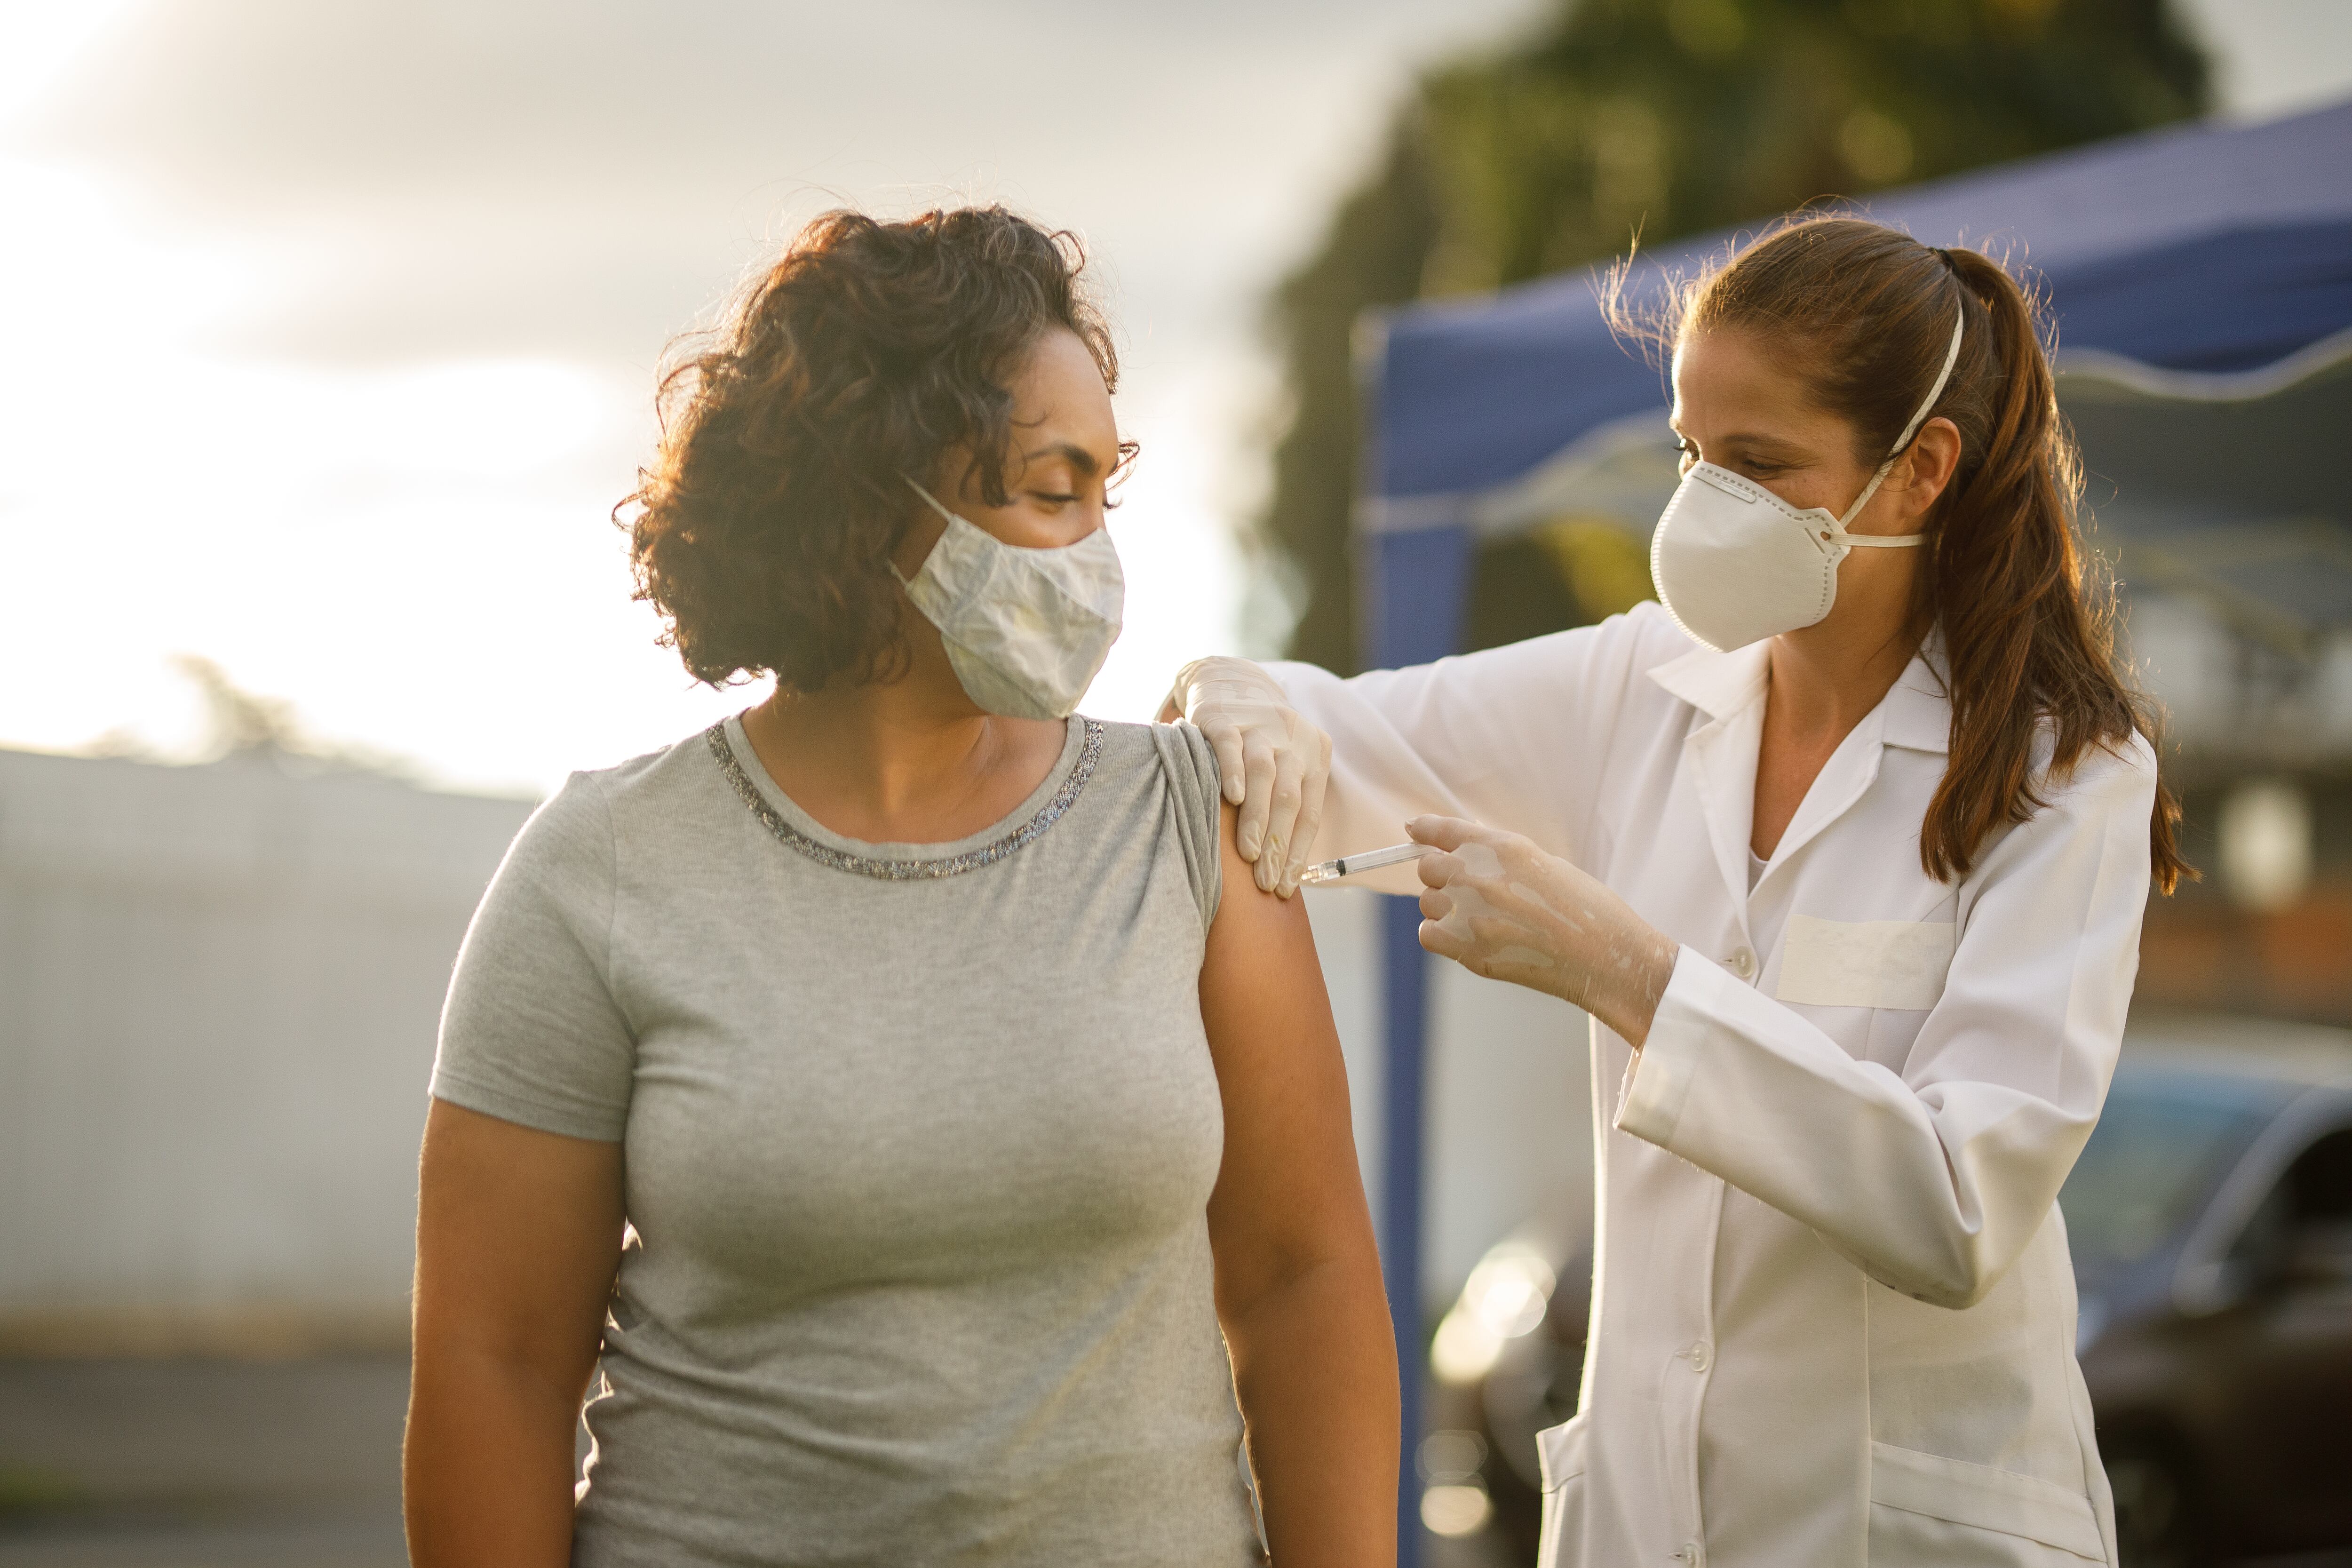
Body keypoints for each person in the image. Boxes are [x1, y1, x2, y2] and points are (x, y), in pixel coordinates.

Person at [1171, 216, 2186, 1568]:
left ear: (1919, 472)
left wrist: (1631, 975)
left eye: (1759, 465)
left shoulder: (2069, 775)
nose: (1706, 505)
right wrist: (1227, 692)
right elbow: (1328, 734)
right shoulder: (1634, 686)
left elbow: (1957, 1208)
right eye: (1692, 454)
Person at [404, 207, 1398, 1568]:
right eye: (1051, 490)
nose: (1096, 556)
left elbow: (1302, 1280)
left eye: (1105, 492)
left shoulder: (1193, 823)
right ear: (877, 495)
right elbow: (498, 1359)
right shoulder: (602, 867)